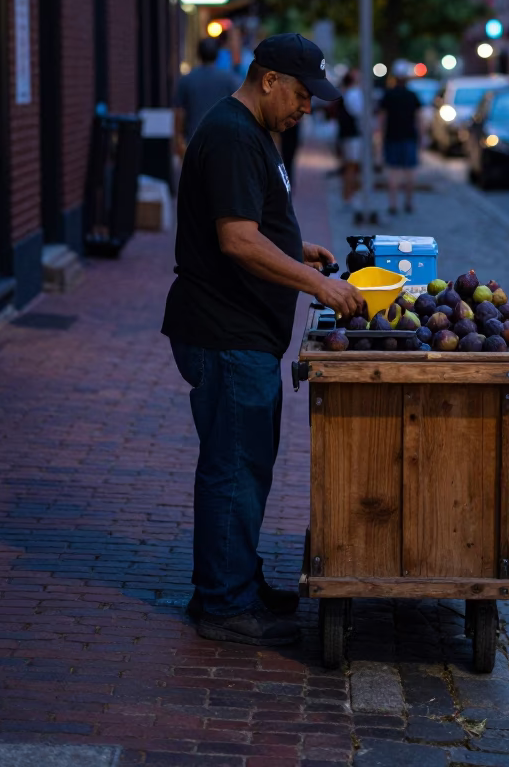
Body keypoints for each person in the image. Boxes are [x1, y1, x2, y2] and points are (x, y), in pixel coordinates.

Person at [162, 33, 364, 647]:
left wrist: (294, 247)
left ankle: (235, 582)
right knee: (233, 467)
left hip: (244, 331)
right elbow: (237, 240)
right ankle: (223, 605)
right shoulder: (230, 134)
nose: (307, 108)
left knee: (247, 465)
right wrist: (315, 285)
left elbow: (255, 223)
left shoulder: (255, 133)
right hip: (225, 331)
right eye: (302, 95)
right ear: (269, 80)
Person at [174, 37, 239, 153]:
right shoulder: (230, 80)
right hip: (224, 141)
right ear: (217, 54)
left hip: (194, 141)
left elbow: (179, 114)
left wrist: (178, 140)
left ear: (198, 54)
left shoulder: (186, 80)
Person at [379, 60, 421, 216]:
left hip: (392, 136)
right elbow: (419, 119)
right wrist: (422, 138)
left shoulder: (388, 95)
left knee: (392, 172)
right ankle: (408, 202)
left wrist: (380, 137)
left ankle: (393, 204)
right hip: (409, 136)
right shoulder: (412, 96)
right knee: (410, 172)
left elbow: (382, 119)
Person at [338, 69, 364, 222]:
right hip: (352, 136)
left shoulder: (349, 92)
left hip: (349, 135)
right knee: (352, 167)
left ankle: (348, 197)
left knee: (351, 167)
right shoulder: (353, 93)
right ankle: (349, 197)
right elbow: (359, 112)